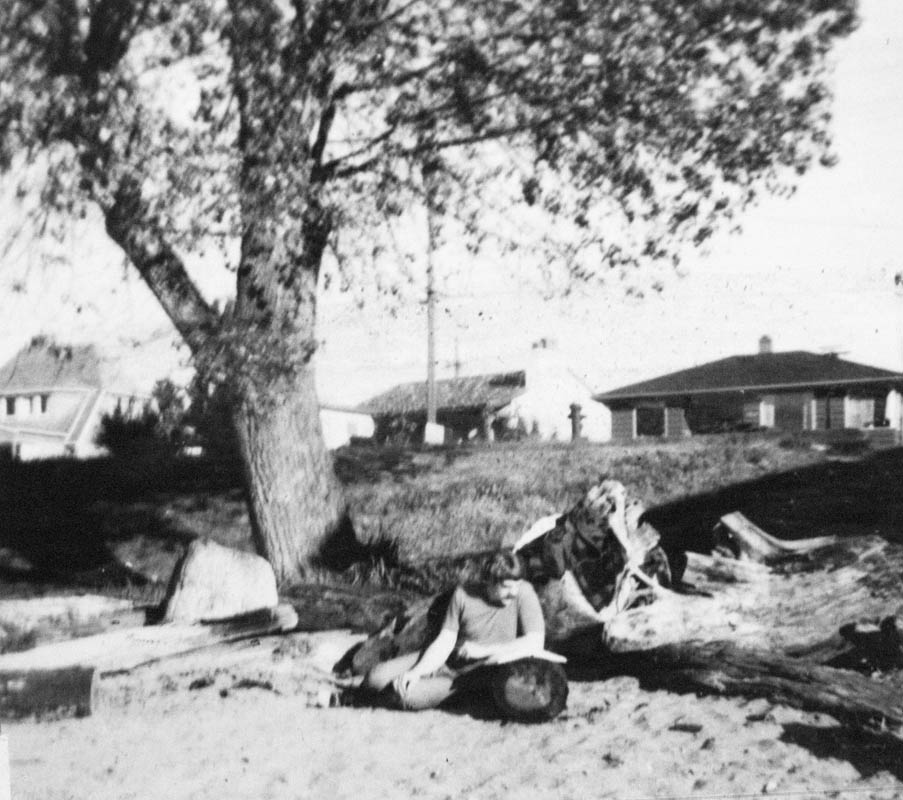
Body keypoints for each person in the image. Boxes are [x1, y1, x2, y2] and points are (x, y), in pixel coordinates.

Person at [362, 549, 546, 711]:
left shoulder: (524, 592)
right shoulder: (463, 594)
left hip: (472, 677)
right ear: (488, 581)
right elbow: (445, 642)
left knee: (407, 696)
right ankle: (373, 690)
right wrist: (417, 671)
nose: (513, 592)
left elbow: (535, 642)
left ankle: (359, 698)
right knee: (375, 678)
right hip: (450, 660)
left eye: (517, 585)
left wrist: (484, 650)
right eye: (506, 586)